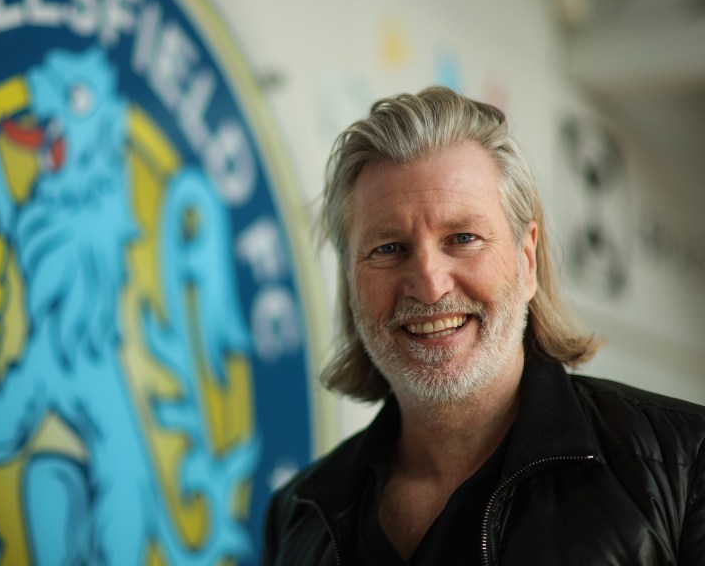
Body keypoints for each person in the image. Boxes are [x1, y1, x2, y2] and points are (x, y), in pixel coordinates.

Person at [262, 86, 705, 565]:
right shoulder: (297, 515)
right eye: (388, 248)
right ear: (350, 281)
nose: (430, 286)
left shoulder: (685, 465)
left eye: (463, 238)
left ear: (527, 259)